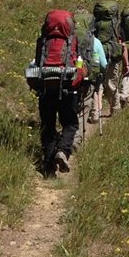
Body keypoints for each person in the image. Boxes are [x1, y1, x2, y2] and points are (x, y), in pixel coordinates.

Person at [32, 10, 86, 177]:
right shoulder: (72, 40)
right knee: (70, 124)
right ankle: (62, 151)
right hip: (67, 88)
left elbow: (36, 62)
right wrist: (81, 75)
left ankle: (49, 169)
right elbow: (79, 63)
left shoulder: (43, 41)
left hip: (46, 89)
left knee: (48, 126)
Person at [84, 28, 109, 124]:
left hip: (79, 71)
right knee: (97, 88)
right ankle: (95, 114)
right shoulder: (96, 41)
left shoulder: (73, 39)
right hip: (93, 73)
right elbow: (103, 64)